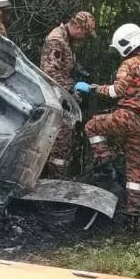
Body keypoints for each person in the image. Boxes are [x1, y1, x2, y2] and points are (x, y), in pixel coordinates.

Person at [74, 24, 140, 221]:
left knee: (91, 126)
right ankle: (133, 212)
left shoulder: (129, 65)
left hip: (126, 116)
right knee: (135, 165)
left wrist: (93, 88)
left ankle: (107, 164)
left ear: (126, 44)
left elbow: (116, 91)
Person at [39, 11, 97, 178]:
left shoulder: (67, 40)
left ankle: (56, 177)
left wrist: (82, 75)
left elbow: (67, 65)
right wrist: (71, 89)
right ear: (78, 27)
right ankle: (55, 181)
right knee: (60, 141)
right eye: (84, 33)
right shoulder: (56, 40)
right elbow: (50, 73)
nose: (84, 38)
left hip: (62, 95)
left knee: (63, 140)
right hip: (56, 97)